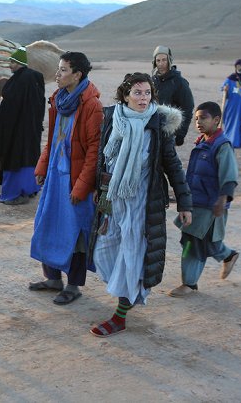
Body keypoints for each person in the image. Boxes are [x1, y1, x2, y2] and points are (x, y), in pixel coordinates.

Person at [88, 72, 192, 337]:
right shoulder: (113, 119)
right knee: (104, 251)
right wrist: (96, 190)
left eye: (147, 93)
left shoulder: (158, 125)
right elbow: (103, 158)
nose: (143, 98)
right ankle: (129, 293)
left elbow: (173, 166)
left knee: (131, 258)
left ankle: (119, 315)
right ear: (125, 95)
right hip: (113, 199)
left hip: (141, 204)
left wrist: (184, 202)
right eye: (137, 93)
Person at [28, 51, 103, 305]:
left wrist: (82, 186)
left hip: (74, 179)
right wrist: (41, 167)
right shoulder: (59, 99)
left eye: (62, 70)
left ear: (77, 75)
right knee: (48, 226)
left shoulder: (91, 105)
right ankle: (53, 279)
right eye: (58, 69)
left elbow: (95, 150)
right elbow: (52, 139)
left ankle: (73, 285)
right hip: (55, 177)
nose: (57, 74)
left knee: (75, 234)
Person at [169, 101, 239, 297]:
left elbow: (230, 175)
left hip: (210, 206)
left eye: (204, 118)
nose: (198, 122)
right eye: (196, 118)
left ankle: (189, 284)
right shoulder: (202, 143)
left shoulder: (221, 146)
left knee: (193, 242)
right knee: (202, 240)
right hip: (196, 202)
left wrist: (222, 200)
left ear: (216, 120)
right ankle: (228, 255)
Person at [0, 47, 46, 205]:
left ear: (19, 63)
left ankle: (13, 194)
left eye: (12, 62)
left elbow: (9, 109)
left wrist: (0, 132)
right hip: (31, 129)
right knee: (29, 156)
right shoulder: (35, 78)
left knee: (14, 158)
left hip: (16, 130)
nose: (10, 65)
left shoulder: (17, 82)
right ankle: (30, 189)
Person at [151, 45, 195, 146]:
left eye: (164, 60)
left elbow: (188, 108)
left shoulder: (179, 82)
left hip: (169, 132)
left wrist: (180, 134)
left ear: (169, 60)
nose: (161, 64)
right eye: (158, 61)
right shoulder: (152, 81)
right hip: (152, 129)